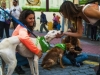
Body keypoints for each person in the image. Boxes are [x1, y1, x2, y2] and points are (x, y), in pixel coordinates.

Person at [12, 9, 42, 74]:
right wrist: (37, 51)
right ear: (24, 19)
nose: (32, 20)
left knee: (29, 50)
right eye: (30, 18)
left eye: (33, 18)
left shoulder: (25, 26)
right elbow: (25, 39)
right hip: (15, 50)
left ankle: (24, 62)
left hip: (19, 47)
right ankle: (17, 65)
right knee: (30, 51)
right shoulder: (23, 28)